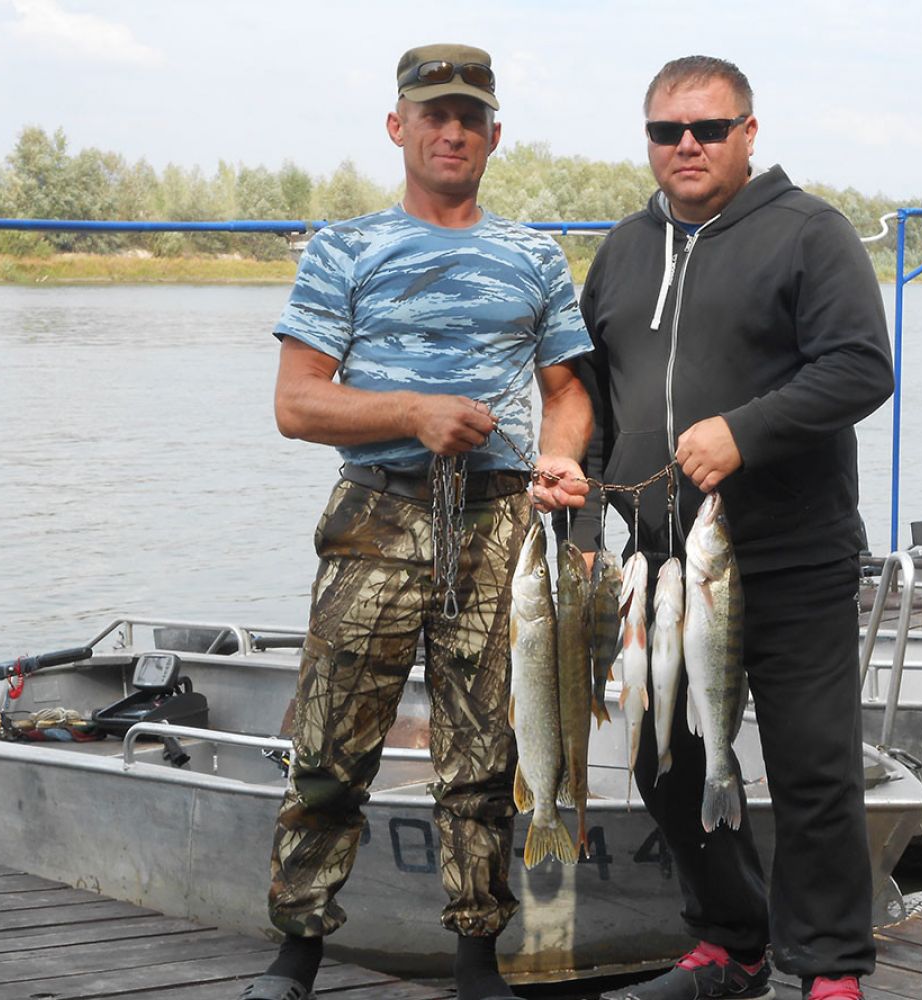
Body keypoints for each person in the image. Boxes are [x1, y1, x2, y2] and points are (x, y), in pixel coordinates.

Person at [239, 43, 594, 1000]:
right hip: (378, 517)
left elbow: (567, 392)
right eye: (434, 114)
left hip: (499, 528)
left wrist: (560, 454)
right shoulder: (343, 249)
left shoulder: (534, 256)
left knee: (486, 754)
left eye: (470, 117)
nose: (452, 131)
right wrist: (412, 409)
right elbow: (297, 404)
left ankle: (476, 959)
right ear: (398, 126)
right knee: (330, 745)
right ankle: (297, 951)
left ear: (494, 137)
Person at [571, 56, 895, 1000]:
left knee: (813, 770)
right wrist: (586, 498)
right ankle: (731, 943)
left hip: (791, 557)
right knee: (662, 757)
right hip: (660, 564)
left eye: (708, 129)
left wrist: (744, 434)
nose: (686, 146)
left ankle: (830, 970)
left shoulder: (810, 233)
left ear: (749, 133)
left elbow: (859, 369)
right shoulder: (622, 249)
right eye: (666, 131)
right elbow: (590, 393)